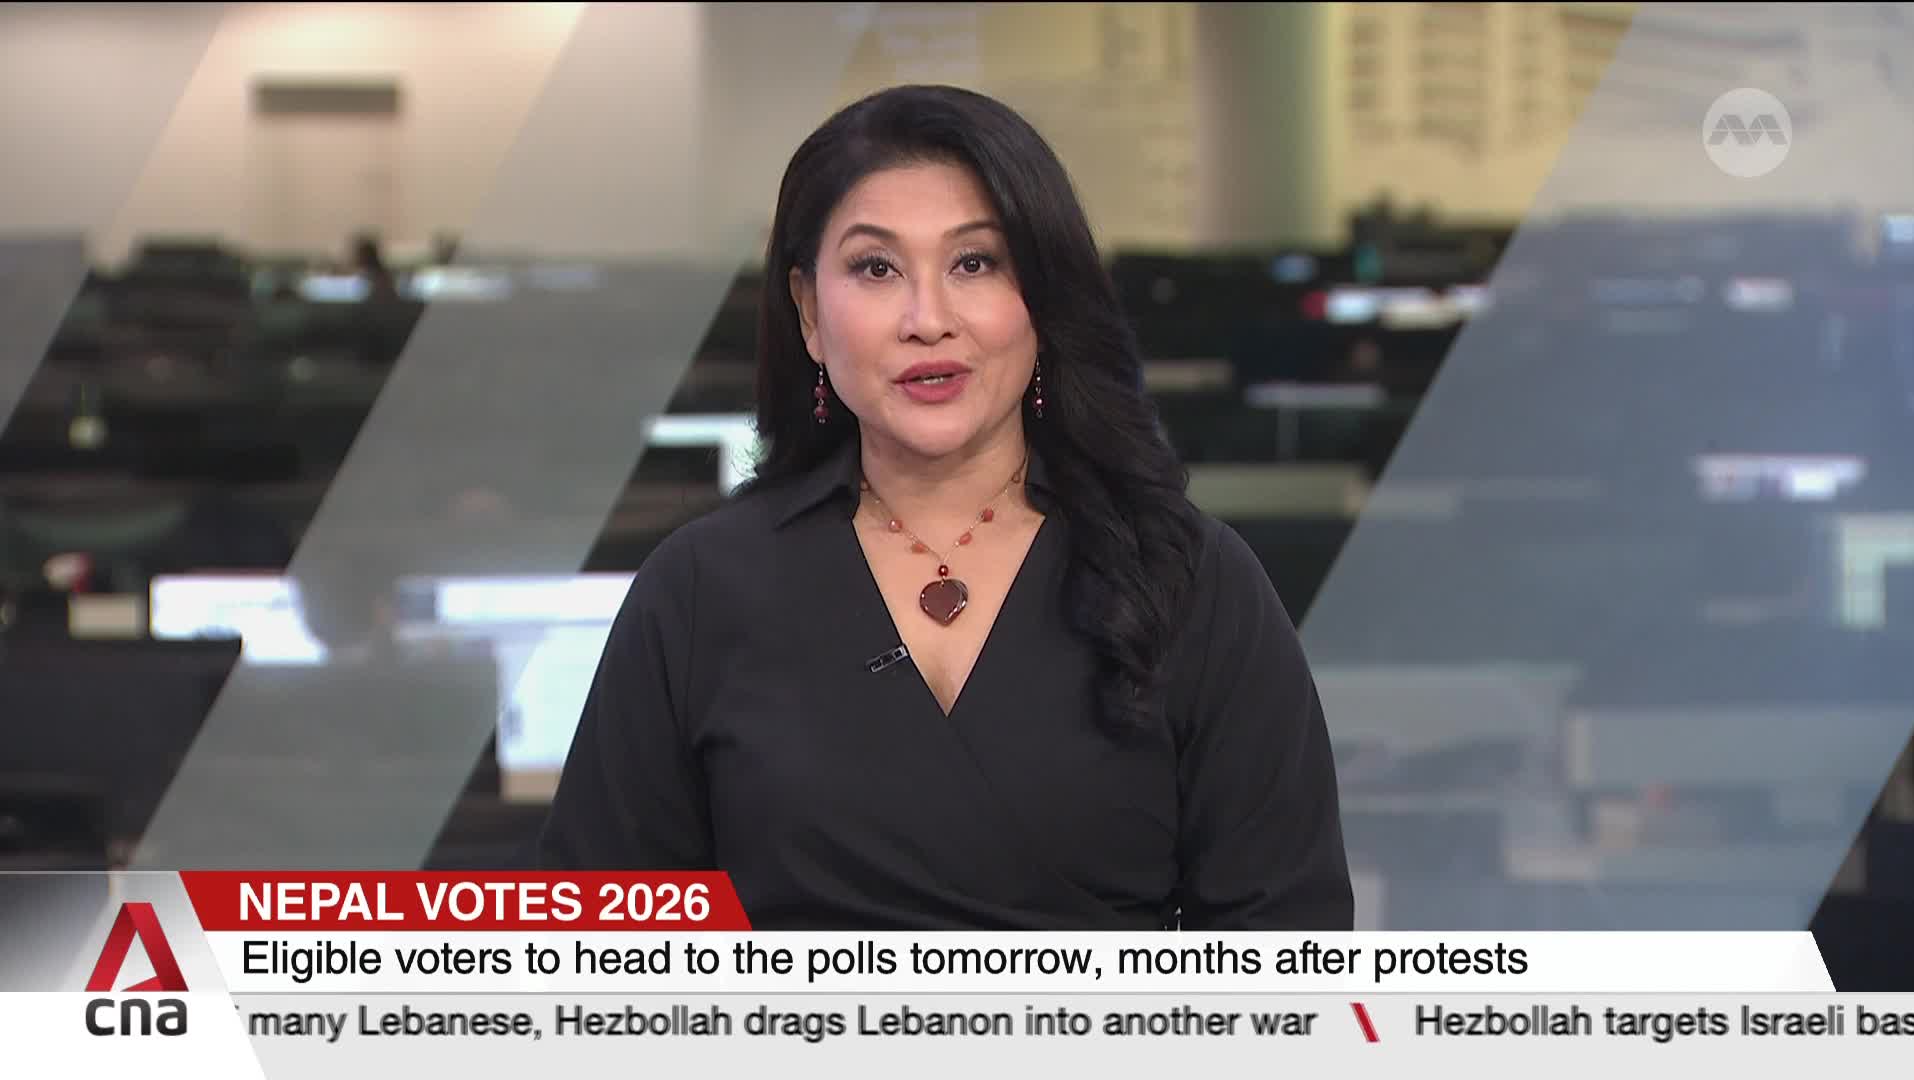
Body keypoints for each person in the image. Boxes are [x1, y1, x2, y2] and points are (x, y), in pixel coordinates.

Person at [534, 84, 1352, 930]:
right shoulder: (699, 589)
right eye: (875, 268)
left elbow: (1288, 959)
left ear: (1042, 298)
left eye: (976, 263)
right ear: (810, 313)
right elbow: (604, 956)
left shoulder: (1193, 581)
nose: (929, 320)